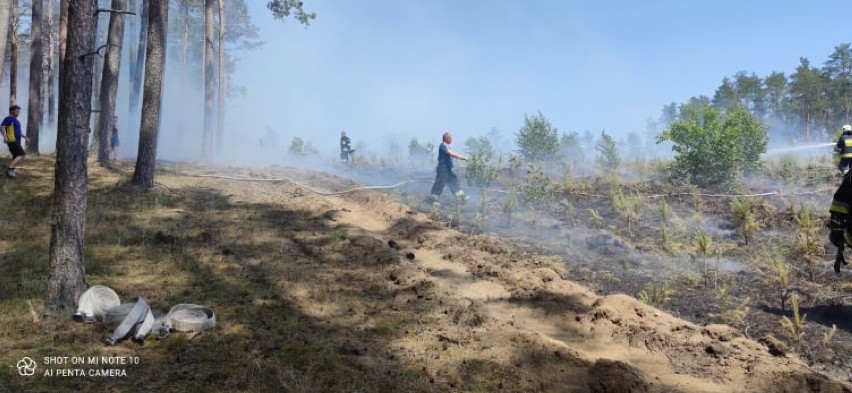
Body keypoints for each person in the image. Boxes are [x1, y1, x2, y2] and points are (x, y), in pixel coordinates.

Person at [429, 132, 469, 204]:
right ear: (446, 138)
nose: (451, 140)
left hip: (448, 169)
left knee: (453, 181)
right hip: (443, 169)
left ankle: (461, 197)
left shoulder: (446, 146)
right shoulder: (443, 145)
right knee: (440, 183)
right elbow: (451, 153)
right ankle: (433, 200)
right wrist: (463, 157)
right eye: (450, 138)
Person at [2, 104, 27, 178]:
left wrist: (25, 137)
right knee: (21, 154)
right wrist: (5, 137)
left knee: (16, 156)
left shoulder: (17, 121)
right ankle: (10, 169)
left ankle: (11, 172)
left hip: (17, 141)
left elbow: (19, 131)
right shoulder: (8, 119)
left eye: (19, 111)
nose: (18, 112)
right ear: (12, 111)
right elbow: (2, 127)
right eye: (17, 111)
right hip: (12, 140)